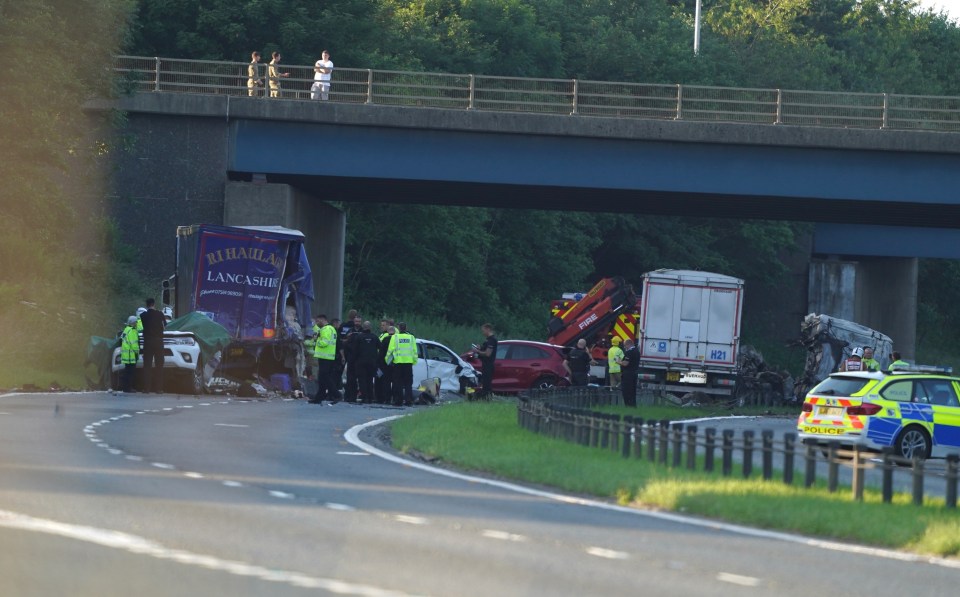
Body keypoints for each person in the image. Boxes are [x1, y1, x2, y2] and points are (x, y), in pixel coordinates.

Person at [311, 314, 339, 404]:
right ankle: (320, 397)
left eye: (318, 321)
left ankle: (336, 394)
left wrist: (316, 340)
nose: (317, 323)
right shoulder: (332, 329)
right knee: (323, 378)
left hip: (325, 357)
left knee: (325, 377)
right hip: (329, 356)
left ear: (323, 320)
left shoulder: (325, 329)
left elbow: (324, 342)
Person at [387, 322, 418, 406]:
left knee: (398, 383)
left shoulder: (395, 337)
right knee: (408, 383)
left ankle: (398, 401)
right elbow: (415, 351)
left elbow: (390, 351)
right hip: (408, 363)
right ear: (406, 328)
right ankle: (408, 400)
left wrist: (387, 361)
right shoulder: (411, 338)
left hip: (398, 363)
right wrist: (414, 362)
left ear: (399, 328)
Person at [139, 297, 166, 393]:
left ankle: (146, 388)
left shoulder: (143, 315)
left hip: (148, 342)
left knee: (147, 366)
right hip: (159, 342)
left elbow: (140, 328)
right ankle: (159, 389)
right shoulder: (160, 314)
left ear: (146, 305)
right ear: (154, 304)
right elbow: (164, 326)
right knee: (159, 365)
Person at [353, 321, 380, 403]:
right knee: (370, 380)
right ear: (370, 328)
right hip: (372, 362)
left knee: (362, 380)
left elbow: (355, 350)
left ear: (363, 327)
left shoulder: (359, 337)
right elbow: (380, 347)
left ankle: (364, 397)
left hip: (361, 362)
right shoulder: (374, 337)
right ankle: (370, 397)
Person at [343, 314, 364, 402]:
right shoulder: (350, 331)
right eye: (356, 321)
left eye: (359, 321)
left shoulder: (364, 331)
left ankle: (360, 396)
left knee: (360, 378)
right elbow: (344, 343)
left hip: (360, 358)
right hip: (351, 358)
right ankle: (349, 396)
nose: (357, 323)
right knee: (350, 378)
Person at [474, 323, 498, 398]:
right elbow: (485, 350)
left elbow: (488, 354)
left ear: (488, 329)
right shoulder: (488, 340)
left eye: (483, 331)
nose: (483, 333)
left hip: (489, 365)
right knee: (485, 382)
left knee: (487, 383)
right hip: (485, 364)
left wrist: (478, 352)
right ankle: (486, 397)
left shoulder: (492, 340)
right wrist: (480, 348)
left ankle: (487, 398)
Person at [375, 319, 395, 403]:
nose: (381, 326)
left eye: (383, 325)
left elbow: (382, 350)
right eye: (381, 325)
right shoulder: (383, 335)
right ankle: (385, 398)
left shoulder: (386, 337)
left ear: (388, 326)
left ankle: (383, 398)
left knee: (384, 381)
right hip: (388, 362)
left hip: (384, 362)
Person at [119, 315, 140, 393]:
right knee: (130, 372)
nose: (136, 324)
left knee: (126, 372)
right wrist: (137, 351)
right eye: (136, 322)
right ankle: (129, 388)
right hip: (131, 355)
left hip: (126, 355)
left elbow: (121, 339)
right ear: (133, 323)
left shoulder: (126, 329)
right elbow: (133, 343)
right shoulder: (132, 331)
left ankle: (125, 388)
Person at [619, 338, 639, 407]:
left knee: (626, 390)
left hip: (627, 374)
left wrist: (618, 361)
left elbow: (625, 363)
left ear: (628, 344)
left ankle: (628, 405)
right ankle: (633, 405)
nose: (625, 347)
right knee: (633, 391)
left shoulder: (629, 352)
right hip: (634, 373)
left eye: (625, 346)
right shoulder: (637, 351)